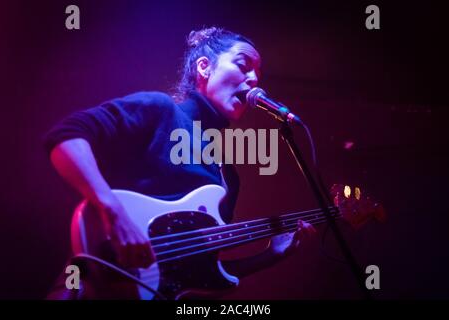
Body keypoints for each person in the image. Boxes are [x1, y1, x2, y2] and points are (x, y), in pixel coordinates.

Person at [44, 27, 315, 299]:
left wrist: (270, 255)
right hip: (91, 288)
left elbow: (202, 272)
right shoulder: (160, 110)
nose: (254, 79)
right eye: (243, 65)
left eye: (257, 74)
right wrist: (114, 213)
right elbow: (66, 137)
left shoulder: (227, 176)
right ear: (204, 67)